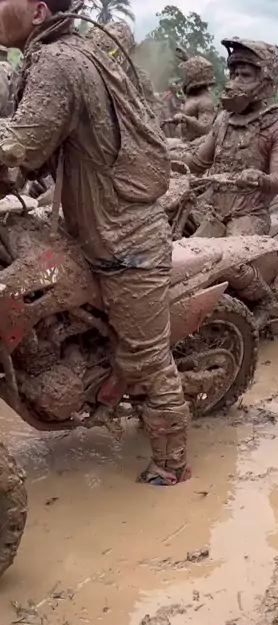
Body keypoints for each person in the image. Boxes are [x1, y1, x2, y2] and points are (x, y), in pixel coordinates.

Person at [0, 0, 190, 487]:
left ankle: (172, 465)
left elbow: (19, 144)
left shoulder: (59, 61)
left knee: (146, 358)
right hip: (92, 227)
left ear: (39, 12)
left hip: (126, 243)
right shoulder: (53, 56)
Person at [186, 37, 278, 241]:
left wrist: (259, 178)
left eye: (245, 75)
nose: (236, 81)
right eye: (234, 74)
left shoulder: (277, 127)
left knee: (234, 256)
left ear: (265, 80)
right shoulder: (223, 119)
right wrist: (164, 157)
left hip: (248, 215)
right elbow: (198, 161)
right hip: (211, 209)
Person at [87, 21, 158, 114]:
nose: (116, 32)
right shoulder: (92, 41)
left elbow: (149, 108)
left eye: (120, 32)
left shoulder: (138, 77)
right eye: (114, 28)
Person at [174, 53, 216, 142]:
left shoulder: (205, 101)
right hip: (185, 141)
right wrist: (189, 60)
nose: (185, 77)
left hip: (196, 145)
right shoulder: (194, 96)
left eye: (188, 74)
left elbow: (206, 128)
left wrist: (185, 118)